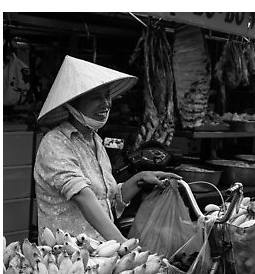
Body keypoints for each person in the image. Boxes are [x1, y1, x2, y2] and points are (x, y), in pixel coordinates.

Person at [34, 55, 180, 243]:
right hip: (66, 257)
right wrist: (122, 244)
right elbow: (83, 196)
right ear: (73, 103)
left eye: (107, 96)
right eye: (96, 97)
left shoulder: (95, 141)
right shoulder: (55, 143)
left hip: (101, 254)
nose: (106, 103)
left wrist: (139, 179)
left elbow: (107, 201)